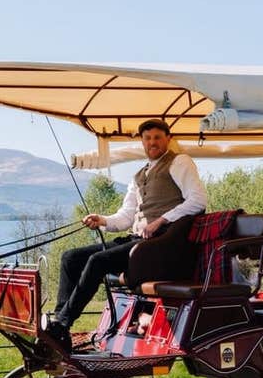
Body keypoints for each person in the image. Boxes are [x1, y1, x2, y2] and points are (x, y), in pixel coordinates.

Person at [45, 118, 207, 347]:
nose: (153, 142)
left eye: (158, 137)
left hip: (163, 246)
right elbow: (126, 217)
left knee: (97, 261)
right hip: (138, 241)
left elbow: (198, 201)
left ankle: (63, 323)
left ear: (168, 139)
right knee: (70, 258)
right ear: (142, 141)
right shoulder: (139, 175)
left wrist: (161, 221)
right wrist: (102, 220)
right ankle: (60, 325)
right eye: (148, 138)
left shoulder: (179, 162)